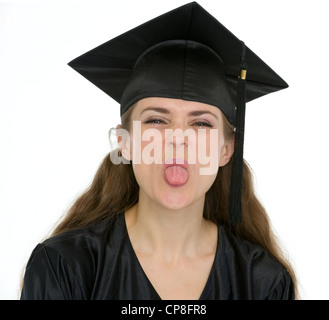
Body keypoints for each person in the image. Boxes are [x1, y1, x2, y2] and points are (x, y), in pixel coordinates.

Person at [20, 2, 298, 300]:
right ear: (124, 142)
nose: (178, 139)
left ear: (226, 150)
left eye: (201, 123)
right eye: (156, 120)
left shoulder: (262, 283)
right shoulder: (67, 267)